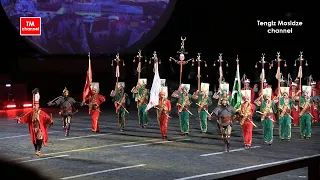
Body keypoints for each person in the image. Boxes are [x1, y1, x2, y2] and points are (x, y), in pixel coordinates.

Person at [15, 89, 53, 156]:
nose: (34, 107)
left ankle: (38, 150)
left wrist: (50, 120)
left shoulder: (42, 113)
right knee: (35, 140)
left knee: (40, 137)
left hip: (40, 128)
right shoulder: (31, 112)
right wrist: (19, 119)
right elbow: (25, 118)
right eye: (33, 106)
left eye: (35, 106)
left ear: (38, 106)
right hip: (33, 128)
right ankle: (36, 149)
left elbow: (47, 118)